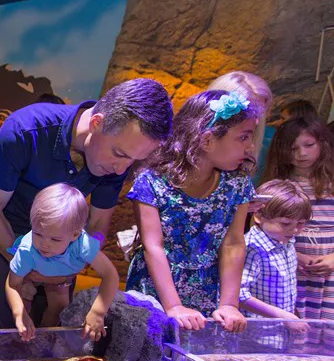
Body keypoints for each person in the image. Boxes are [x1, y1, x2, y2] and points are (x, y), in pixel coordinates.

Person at [0, 78, 173, 334]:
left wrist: (72, 266)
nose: (121, 169)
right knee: (4, 334)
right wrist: (25, 265)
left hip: (66, 247)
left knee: (55, 333)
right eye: (120, 154)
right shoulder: (24, 130)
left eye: (134, 161)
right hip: (6, 240)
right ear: (97, 123)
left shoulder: (117, 159)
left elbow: (97, 224)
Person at [126, 90, 261, 332]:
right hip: (157, 287)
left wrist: (229, 304)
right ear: (206, 140)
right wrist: (174, 306)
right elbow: (152, 245)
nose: (251, 147)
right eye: (243, 138)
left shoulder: (238, 184)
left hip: (208, 287)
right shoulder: (152, 182)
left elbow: (233, 243)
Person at [5, 183, 118, 342]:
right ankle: (23, 338)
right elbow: (12, 284)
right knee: (24, 302)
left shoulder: (83, 245)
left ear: (75, 235)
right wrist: (19, 313)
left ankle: (42, 341)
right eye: (38, 234)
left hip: (61, 275)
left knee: (59, 308)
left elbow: (110, 275)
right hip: (30, 271)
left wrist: (98, 312)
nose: (44, 244)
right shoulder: (28, 249)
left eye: (55, 239)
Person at [263, 117, 334, 324]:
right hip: (296, 270)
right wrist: (296, 256)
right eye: (293, 148)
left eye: (309, 145)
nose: (301, 154)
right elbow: (263, 230)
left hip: (330, 270)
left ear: (323, 143)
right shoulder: (278, 187)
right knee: (299, 323)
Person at [239, 179, 311, 320]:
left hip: (282, 331)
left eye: (301, 223)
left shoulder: (287, 240)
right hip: (257, 333)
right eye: (285, 223)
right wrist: (281, 315)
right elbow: (238, 294)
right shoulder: (252, 249)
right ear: (259, 216)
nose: (295, 230)